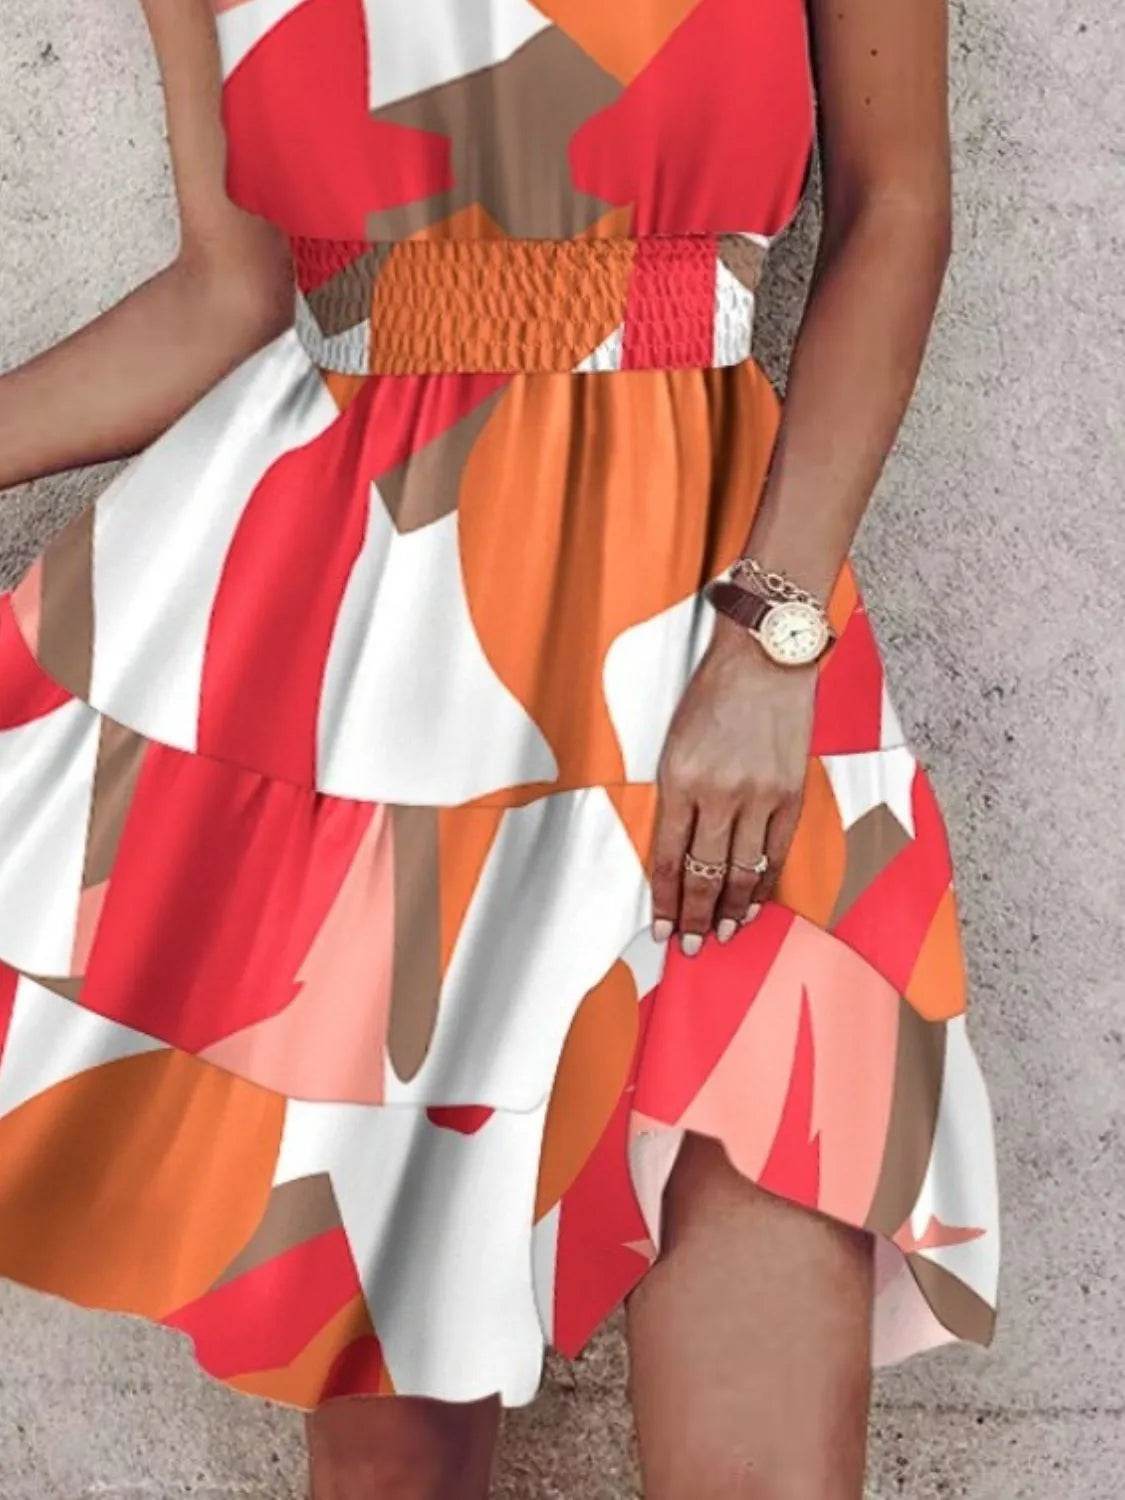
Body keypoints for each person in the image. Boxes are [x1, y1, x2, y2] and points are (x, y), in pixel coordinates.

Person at [0, 1, 1000, 1496]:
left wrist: (771, 636)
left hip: (722, 659)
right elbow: (231, 294)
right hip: (369, 691)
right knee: (396, 1460)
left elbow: (897, 208)